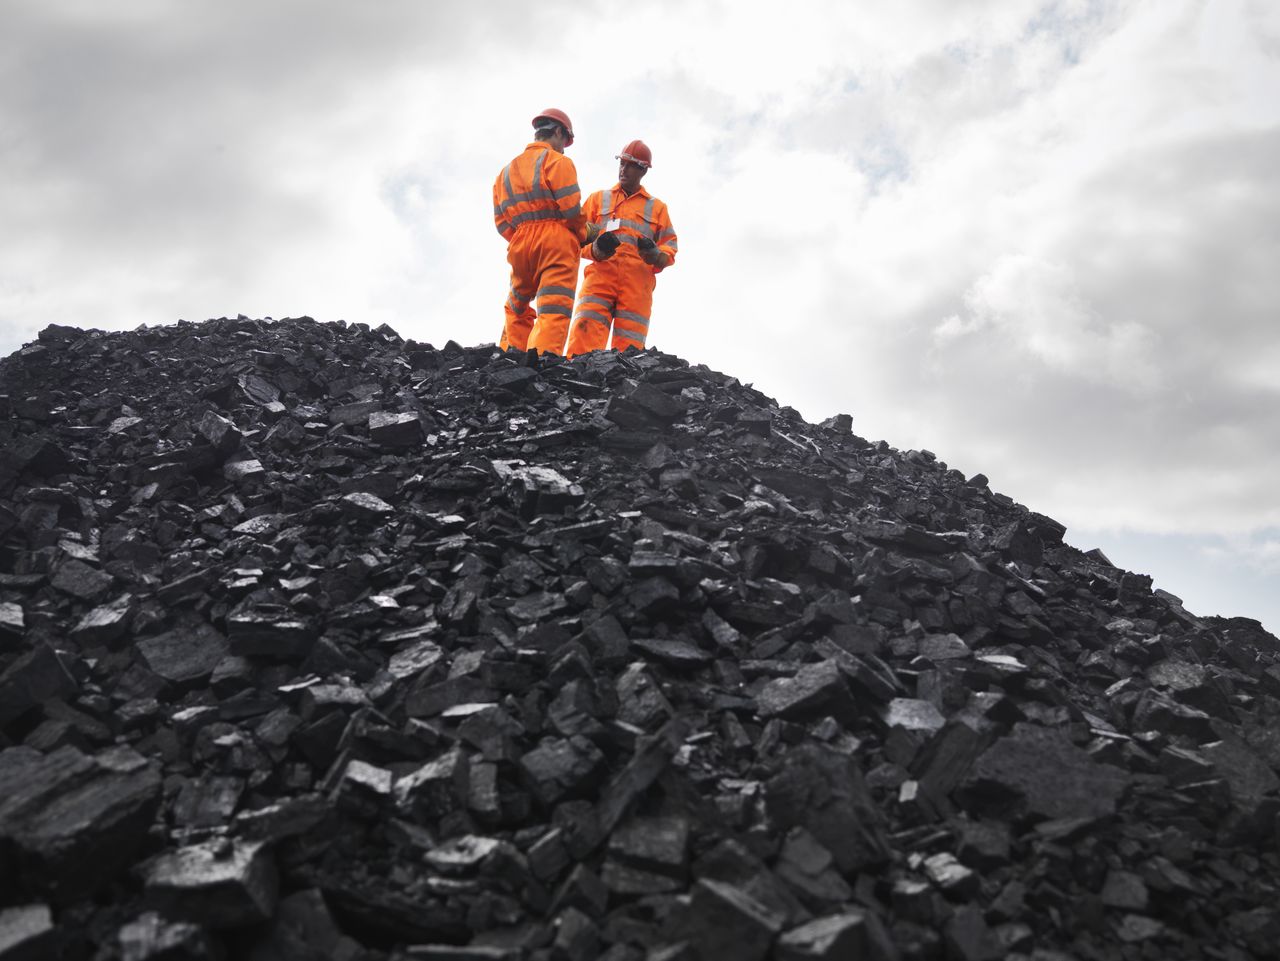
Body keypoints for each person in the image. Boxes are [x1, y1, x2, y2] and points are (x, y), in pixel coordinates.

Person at [493, 108, 593, 354]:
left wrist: (521, 239)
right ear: (558, 132)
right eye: (564, 143)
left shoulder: (505, 173)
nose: (563, 148)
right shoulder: (558, 162)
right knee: (552, 310)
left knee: (516, 307)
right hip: (556, 244)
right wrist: (586, 233)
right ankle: (541, 367)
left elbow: (501, 223)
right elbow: (571, 211)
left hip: (519, 245)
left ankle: (509, 362)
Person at [565, 140, 677, 357]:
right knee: (583, 343)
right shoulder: (599, 199)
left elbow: (670, 247)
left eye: (630, 165)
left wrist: (655, 255)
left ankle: (621, 389)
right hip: (600, 279)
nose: (623, 169)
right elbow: (575, 239)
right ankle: (575, 386)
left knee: (629, 354)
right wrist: (596, 250)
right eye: (621, 163)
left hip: (637, 286)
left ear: (643, 170)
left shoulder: (657, 208)